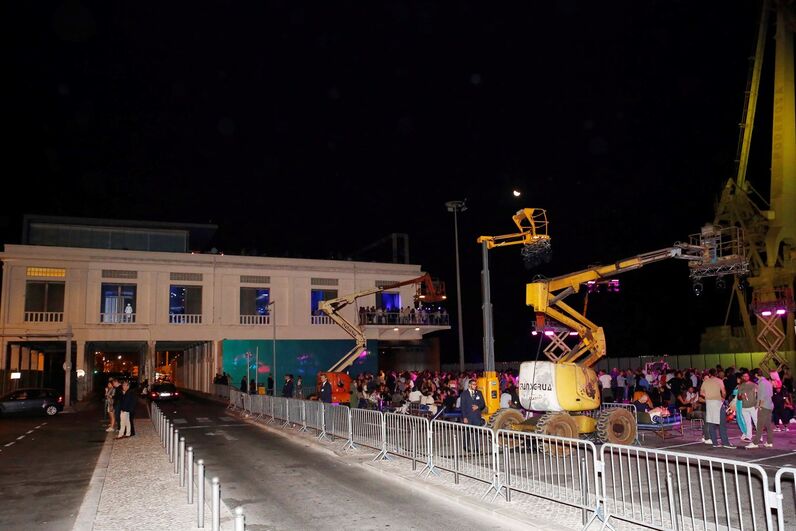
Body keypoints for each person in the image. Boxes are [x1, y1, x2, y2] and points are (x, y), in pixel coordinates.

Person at [700, 368, 734, 448]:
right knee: (722, 423)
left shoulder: (705, 382)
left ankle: (715, 443)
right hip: (717, 402)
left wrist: (708, 396)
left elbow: (701, 393)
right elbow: (724, 392)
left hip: (709, 403)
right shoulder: (719, 381)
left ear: (709, 374)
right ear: (716, 374)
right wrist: (723, 398)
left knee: (711, 423)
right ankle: (725, 443)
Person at [749, 370, 774, 448]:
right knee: (768, 425)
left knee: (759, 425)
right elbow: (771, 394)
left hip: (763, 406)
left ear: (756, 375)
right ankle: (769, 442)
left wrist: (759, 406)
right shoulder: (768, 382)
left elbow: (761, 397)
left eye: (754, 376)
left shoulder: (761, 383)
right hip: (769, 405)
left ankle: (755, 443)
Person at [737, 371, 757, 442]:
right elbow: (738, 397)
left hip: (753, 406)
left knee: (756, 421)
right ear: (742, 377)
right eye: (744, 376)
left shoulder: (754, 385)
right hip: (744, 407)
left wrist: (757, 404)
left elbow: (758, 395)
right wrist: (741, 396)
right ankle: (748, 436)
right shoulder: (741, 386)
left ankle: (759, 437)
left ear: (749, 377)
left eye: (747, 376)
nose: (745, 377)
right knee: (747, 422)